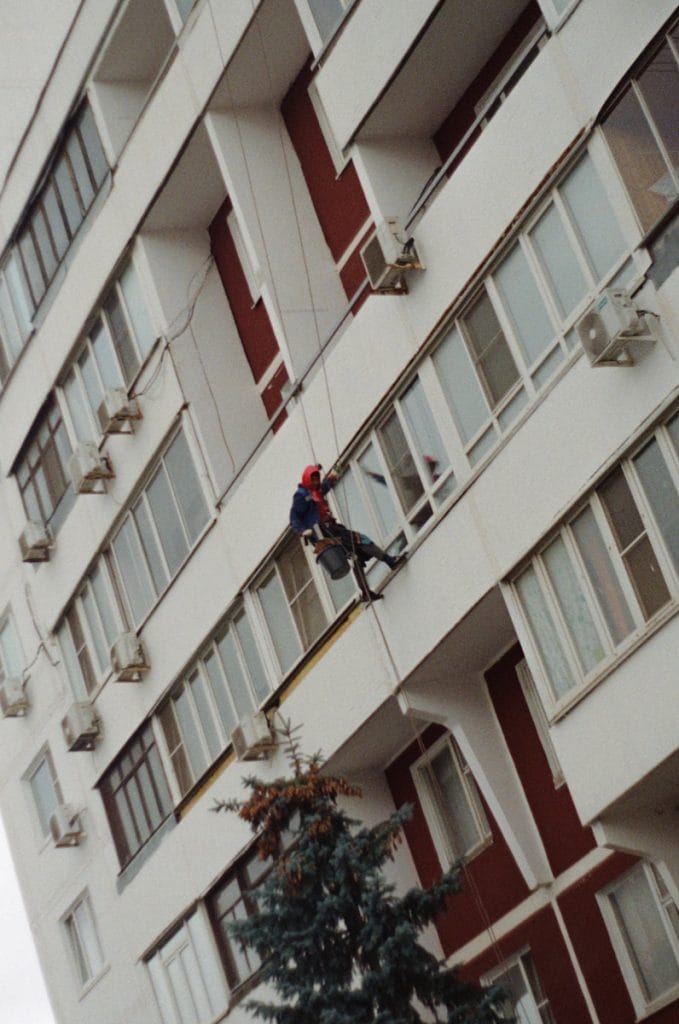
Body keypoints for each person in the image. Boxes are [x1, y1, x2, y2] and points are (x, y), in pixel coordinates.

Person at [290, 464, 405, 602]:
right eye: (313, 479)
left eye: (317, 479)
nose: (316, 482)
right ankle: (390, 561)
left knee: (356, 555)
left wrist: (334, 475)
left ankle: (366, 592)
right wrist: (303, 531)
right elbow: (294, 517)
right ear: (307, 480)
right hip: (324, 534)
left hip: (331, 529)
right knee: (361, 540)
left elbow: (324, 487)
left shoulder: (316, 491)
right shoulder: (301, 496)